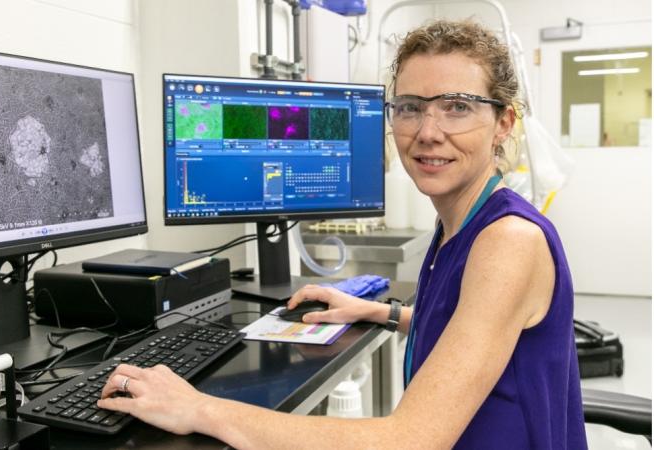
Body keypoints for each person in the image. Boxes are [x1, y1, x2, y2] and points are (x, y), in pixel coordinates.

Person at [98, 19, 587, 449]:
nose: (428, 131)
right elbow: (469, 325)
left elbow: (410, 440)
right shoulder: (463, 220)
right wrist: (378, 311)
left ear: (503, 123)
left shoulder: (508, 242)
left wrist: (198, 408)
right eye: (411, 107)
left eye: (457, 106)